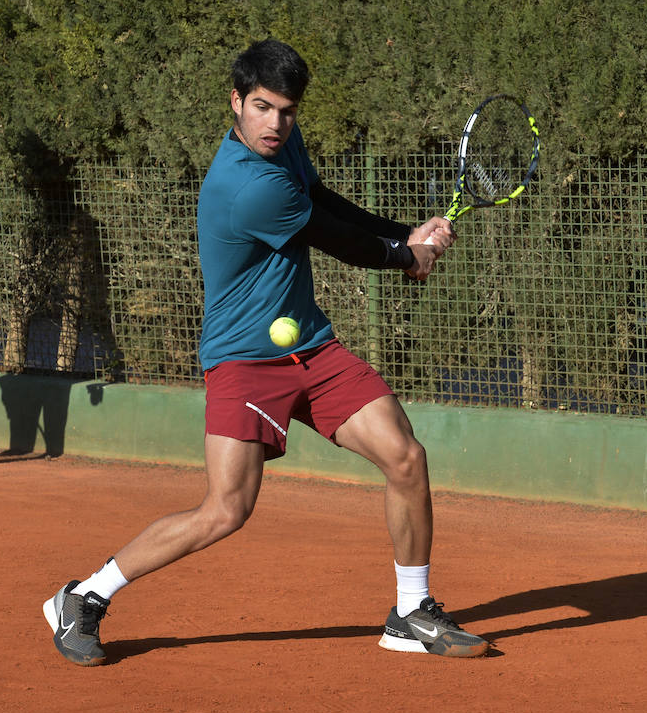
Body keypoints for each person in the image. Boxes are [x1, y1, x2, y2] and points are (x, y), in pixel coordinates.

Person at [43, 39, 488, 664]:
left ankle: (411, 612)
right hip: (244, 360)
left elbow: (324, 200)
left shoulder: (283, 148)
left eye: (287, 110)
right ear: (237, 103)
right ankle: (84, 597)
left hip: (310, 346)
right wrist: (404, 255)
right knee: (225, 510)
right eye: (262, 107)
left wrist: (402, 233)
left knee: (406, 457)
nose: (276, 123)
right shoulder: (244, 185)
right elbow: (329, 236)